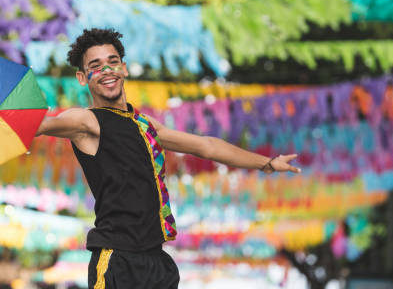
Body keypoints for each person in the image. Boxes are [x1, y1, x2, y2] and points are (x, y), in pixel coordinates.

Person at [36, 28, 301, 289]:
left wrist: (266, 163)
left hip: (157, 261)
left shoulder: (144, 125)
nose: (106, 70)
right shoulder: (86, 121)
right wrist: (3, 118)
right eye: (96, 65)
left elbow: (206, 146)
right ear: (82, 78)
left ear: (124, 69)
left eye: (112, 62)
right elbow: (45, 125)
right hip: (118, 259)